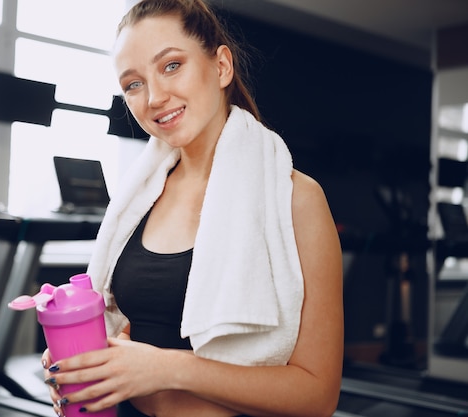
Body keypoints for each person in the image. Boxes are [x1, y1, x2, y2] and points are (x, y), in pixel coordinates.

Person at [41, 0, 343, 416]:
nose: (154, 97)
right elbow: (126, 333)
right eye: (133, 84)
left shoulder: (297, 199)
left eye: (171, 66)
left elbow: (318, 396)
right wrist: (86, 364)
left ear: (221, 66)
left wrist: (169, 368)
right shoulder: (138, 199)